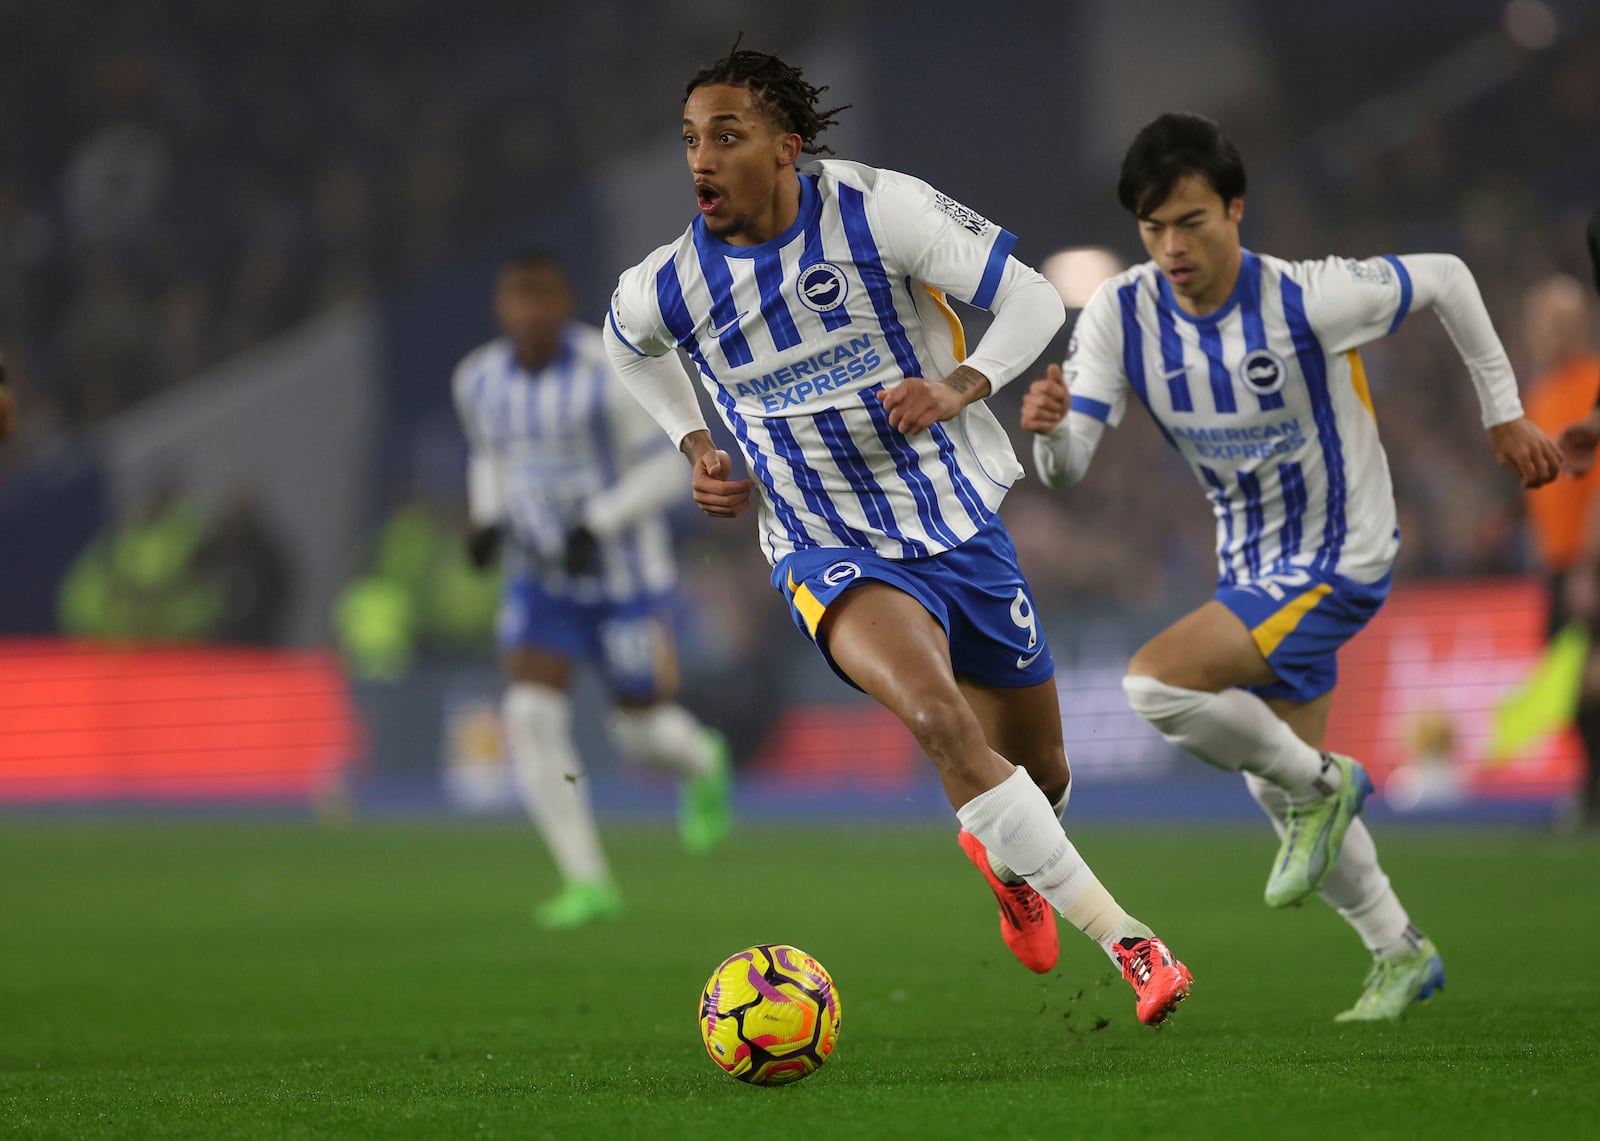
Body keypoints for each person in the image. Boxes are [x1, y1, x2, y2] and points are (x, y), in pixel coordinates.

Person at [602, 40, 1192, 1027]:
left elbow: (1033, 299)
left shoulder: (881, 210)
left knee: (1039, 777)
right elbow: (626, 345)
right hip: (821, 541)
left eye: (728, 136)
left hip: (956, 522)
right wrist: (695, 440)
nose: (701, 159)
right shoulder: (669, 284)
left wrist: (961, 385)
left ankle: (1002, 853)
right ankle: (1131, 940)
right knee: (935, 716)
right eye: (690, 140)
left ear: (786, 148)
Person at [1021, 112, 1562, 1021]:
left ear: (1235, 209)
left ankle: (1328, 785)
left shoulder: (1307, 297)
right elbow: (1069, 464)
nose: (1172, 245)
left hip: (1344, 550)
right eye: (1152, 228)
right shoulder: (1122, 313)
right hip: (1252, 565)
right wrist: (1047, 435)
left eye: (1191, 220)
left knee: (1155, 685)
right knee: (1274, 780)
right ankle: (1400, 949)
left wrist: (1501, 411)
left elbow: (1449, 278)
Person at [453, 250, 733, 931]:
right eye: (516, 297)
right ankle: (587, 881)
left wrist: (597, 520)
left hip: (623, 582)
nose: (528, 312)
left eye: (540, 297)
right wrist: (487, 517)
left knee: (640, 734)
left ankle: (701, 760)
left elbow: (671, 472)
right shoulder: (479, 379)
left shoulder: (607, 371)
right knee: (529, 715)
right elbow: (491, 456)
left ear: (563, 302)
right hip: (543, 580)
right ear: (501, 306)